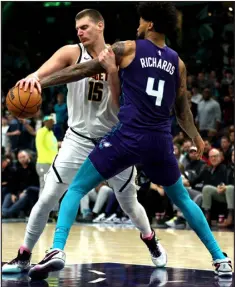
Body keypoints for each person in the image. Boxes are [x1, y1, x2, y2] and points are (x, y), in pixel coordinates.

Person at [29, 2, 232, 279]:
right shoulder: (178, 63)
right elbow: (182, 111)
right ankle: (220, 259)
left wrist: (42, 81)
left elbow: (83, 70)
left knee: (75, 187)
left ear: (149, 24)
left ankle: (57, 249)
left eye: (140, 21)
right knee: (183, 199)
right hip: (160, 142)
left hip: (128, 136)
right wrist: (196, 138)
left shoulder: (128, 47)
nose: (137, 25)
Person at [2, 9, 164, 275]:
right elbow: (45, 70)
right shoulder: (72, 52)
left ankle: (150, 239)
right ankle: (23, 255)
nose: (80, 31)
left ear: (101, 26)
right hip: (77, 140)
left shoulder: (120, 55)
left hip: (113, 141)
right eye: (77, 28)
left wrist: (111, 70)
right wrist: (34, 78)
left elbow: (120, 102)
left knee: (130, 204)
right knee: (46, 199)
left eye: (85, 27)